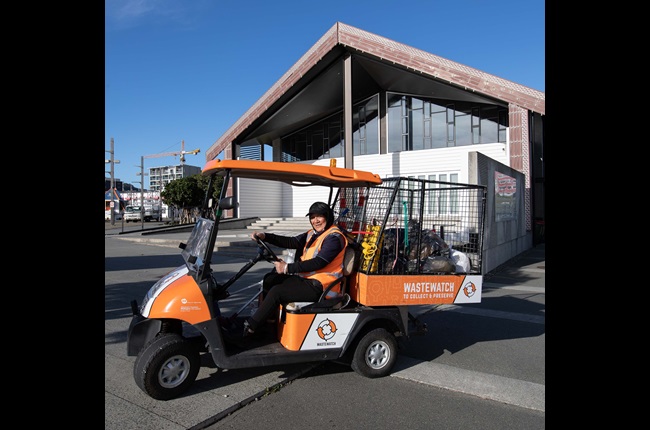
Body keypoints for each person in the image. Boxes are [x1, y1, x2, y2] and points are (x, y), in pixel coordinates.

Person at [243, 201, 347, 337]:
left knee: (277, 292)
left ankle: (251, 328)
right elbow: (291, 242)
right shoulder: (312, 234)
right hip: (307, 280)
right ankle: (269, 323)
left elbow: (319, 262)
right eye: (312, 217)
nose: (315, 221)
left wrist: (287, 268)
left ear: (327, 217)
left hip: (322, 287)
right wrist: (265, 236)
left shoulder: (334, 237)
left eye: (319, 217)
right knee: (270, 279)